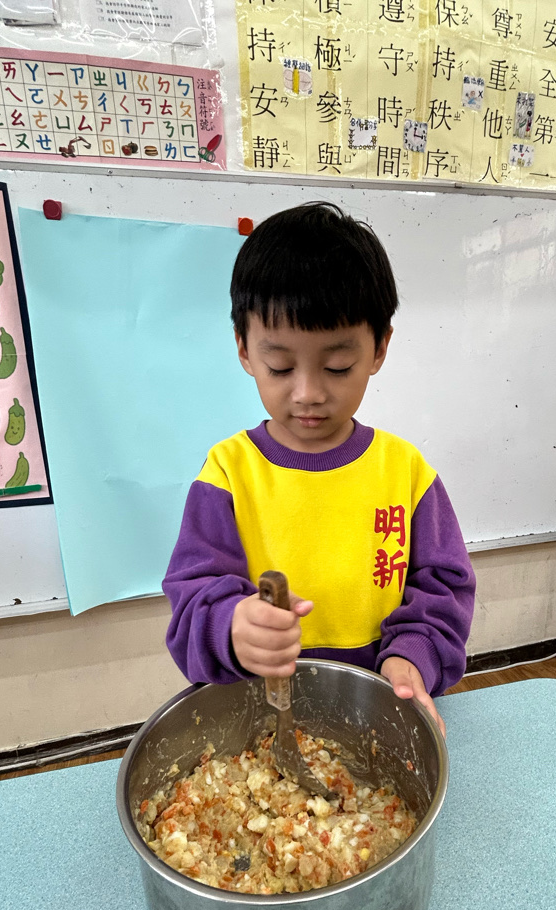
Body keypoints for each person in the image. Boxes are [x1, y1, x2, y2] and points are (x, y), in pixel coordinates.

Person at [162, 202, 476, 735]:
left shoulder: (406, 471)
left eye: (337, 366)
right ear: (244, 350)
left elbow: (443, 589)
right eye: (280, 366)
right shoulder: (227, 473)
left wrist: (412, 655)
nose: (308, 392)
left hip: (375, 714)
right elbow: (192, 600)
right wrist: (231, 628)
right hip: (256, 723)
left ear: (379, 348)